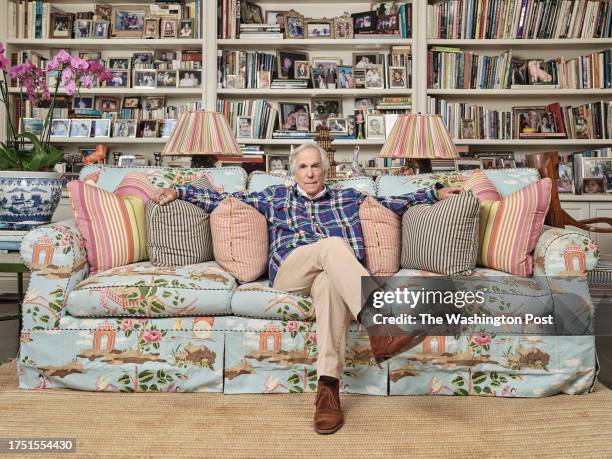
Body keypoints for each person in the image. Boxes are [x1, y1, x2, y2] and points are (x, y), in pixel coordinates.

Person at [152, 143, 461, 435]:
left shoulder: (348, 197)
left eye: (316, 166)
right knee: (333, 245)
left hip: (331, 274)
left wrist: (436, 193)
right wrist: (178, 191)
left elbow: (395, 204)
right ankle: (382, 326)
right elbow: (225, 200)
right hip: (291, 269)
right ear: (294, 171)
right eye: (303, 167)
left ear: (325, 171)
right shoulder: (275, 196)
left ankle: (328, 391)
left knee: (328, 284)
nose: (310, 172)